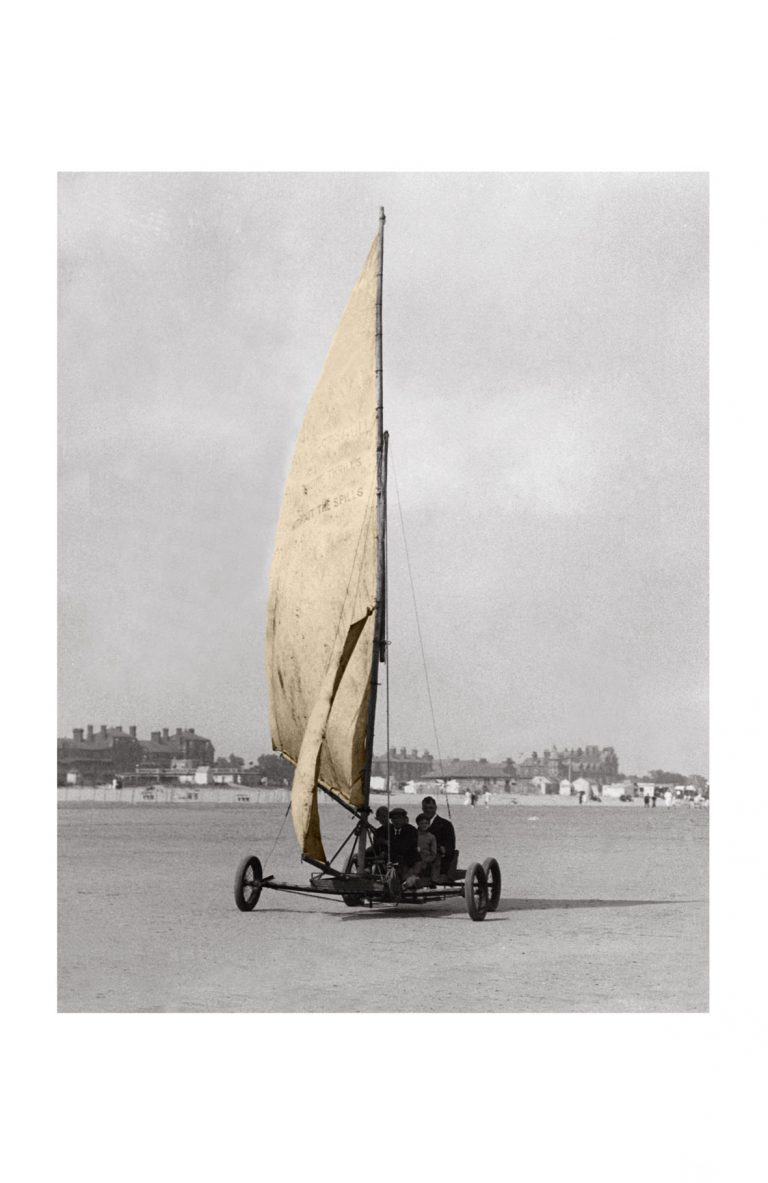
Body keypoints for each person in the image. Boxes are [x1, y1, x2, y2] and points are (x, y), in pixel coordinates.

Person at [420, 796, 456, 881]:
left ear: (435, 808)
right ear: (422, 808)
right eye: (425, 808)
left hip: (441, 861)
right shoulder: (421, 825)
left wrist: (440, 849)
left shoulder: (445, 824)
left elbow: (450, 846)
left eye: (431, 808)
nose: (428, 810)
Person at [403, 813, 440, 888]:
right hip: (414, 860)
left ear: (429, 824)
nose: (424, 825)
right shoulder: (414, 834)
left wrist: (425, 861)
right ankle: (405, 882)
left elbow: (433, 854)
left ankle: (409, 882)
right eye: (422, 823)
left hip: (426, 861)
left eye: (426, 823)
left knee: (417, 869)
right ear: (418, 824)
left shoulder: (431, 837)